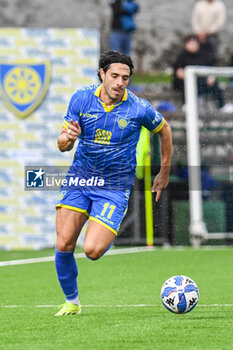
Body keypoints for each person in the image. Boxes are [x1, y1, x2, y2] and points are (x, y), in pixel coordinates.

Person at [54, 51, 173, 316]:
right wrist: (68, 138)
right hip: (80, 179)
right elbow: (63, 144)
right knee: (63, 243)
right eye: (115, 76)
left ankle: (100, 221)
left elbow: (164, 129)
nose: (120, 83)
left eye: (126, 78)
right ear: (102, 75)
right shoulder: (82, 98)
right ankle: (72, 301)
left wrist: (164, 171)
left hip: (114, 186)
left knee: (93, 251)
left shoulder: (138, 108)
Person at [172, 34, 233, 113]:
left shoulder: (204, 55)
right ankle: (187, 104)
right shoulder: (182, 57)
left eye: (195, 43)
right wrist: (190, 77)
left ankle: (222, 105)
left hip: (202, 83)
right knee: (187, 84)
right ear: (186, 45)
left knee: (214, 85)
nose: (193, 45)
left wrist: (211, 77)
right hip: (189, 83)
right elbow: (179, 73)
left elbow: (211, 68)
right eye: (191, 43)